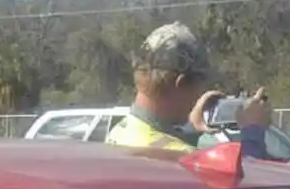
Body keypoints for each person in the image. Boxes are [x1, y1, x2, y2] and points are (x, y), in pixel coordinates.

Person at [103, 22, 277, 157]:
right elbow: (243, 188)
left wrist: (191, 129)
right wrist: (253, 130)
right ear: (181, 83)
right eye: (201, 84)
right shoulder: (175, 155)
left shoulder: (121, 131)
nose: (201, 93)